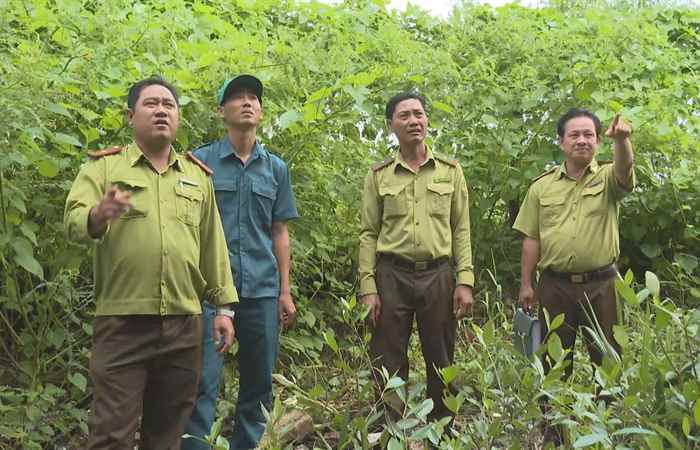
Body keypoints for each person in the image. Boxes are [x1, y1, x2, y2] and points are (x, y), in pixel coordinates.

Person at [64, 76, 238, 450]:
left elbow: (212, 245)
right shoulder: (105, 169)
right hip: (122, 322)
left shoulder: (196, 176)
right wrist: (98, 215)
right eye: (151, 104)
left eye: (169, 105)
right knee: (111, 433)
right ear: (131, 116)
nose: (161, 110)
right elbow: (74, 222)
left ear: (177, 117)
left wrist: (224, 308)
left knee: (167, 434)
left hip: (184, 323)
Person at [183, 74, 299, 450]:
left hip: (262, 291)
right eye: (237, 98)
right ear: (221, 111)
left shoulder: (275, 168)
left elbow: (279, 232)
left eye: (254, 98)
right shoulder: (200, 162)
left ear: (261, 112)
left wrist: (285, 290)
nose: (247, 102)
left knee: (259, 384)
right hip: (209, 291)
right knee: (201, 381)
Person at [513, 108, 634, 444]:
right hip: (554, 286)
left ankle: (606, 431)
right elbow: (531, 238)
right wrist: (527, 284)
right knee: (553, 363)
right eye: (575, 135)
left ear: (597, 141)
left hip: (602, 285)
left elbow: (626, 170)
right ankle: (554, 435)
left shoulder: (609, 177)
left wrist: (622, 140)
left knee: (608, 360)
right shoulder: (541, 187)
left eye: (589, 135)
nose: (582, 140)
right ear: (561, 142)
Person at [358, 92, 475, 421]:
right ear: (390, 125)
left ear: (427, 120)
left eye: (419, 114)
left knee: (441, 359)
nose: (413, 121)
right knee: (387, 361)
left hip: (437, 275)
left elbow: (461, 229)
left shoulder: (450, 171)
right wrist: (368, 288)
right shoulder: (379, 175)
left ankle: (443, 433)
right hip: (390, 276)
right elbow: (368, 233)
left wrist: (464, 279)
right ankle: (391, 431)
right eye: (404, 115)